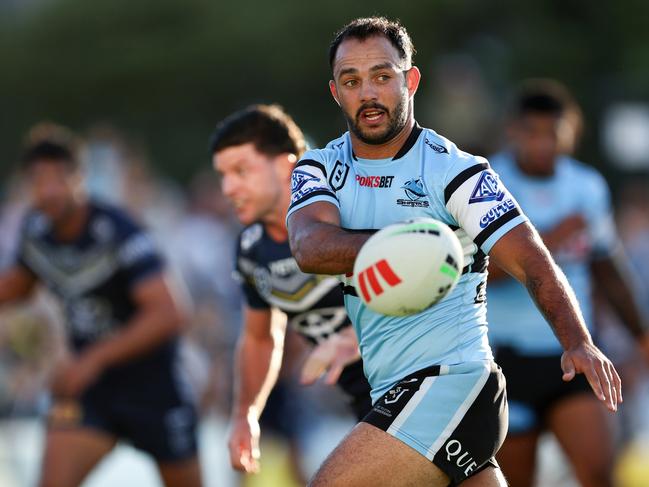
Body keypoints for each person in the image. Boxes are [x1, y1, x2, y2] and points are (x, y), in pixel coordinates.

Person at [286, 16, 622, 487]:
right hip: (393, 389)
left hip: (452, 384)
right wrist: (405, 250)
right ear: (335, 92)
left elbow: (531, 260)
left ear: (411, 80)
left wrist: (577, 341)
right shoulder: (317, 168)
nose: (367, 93)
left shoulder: (457, 172)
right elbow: (309, 246)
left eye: (382, 76)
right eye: (352, 81)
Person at [0, 124, 202, 487]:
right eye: (38, 181)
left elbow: (169, 313)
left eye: (58, 179)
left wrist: (93, 360)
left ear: (81, 178)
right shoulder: (37, 231)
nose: (48, 191)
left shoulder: (118, 230)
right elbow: (19, 284)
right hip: (91, 392)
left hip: (153, 387)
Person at [487, 80, 649, 487]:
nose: (542, 143)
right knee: (516, 481)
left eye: (552, 133)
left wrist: (641, 335)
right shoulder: (488, 181)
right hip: (505, 358)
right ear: (513, 131)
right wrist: (549, 241)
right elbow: (480, 274)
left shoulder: (586, 186)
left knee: (598, 471)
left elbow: (605, 268)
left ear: (571, 132)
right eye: (532, 132)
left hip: (573, 351)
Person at [210, 104, 372, 474]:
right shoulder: (251, 248)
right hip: (367, 399)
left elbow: (433, 271)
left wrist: (361, 335)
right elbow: (260, 338)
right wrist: (244, 414)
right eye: (222, 175)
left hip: (422, 384)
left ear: (286, 166)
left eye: (241, 171)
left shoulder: (352, 205)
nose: (227, 187)